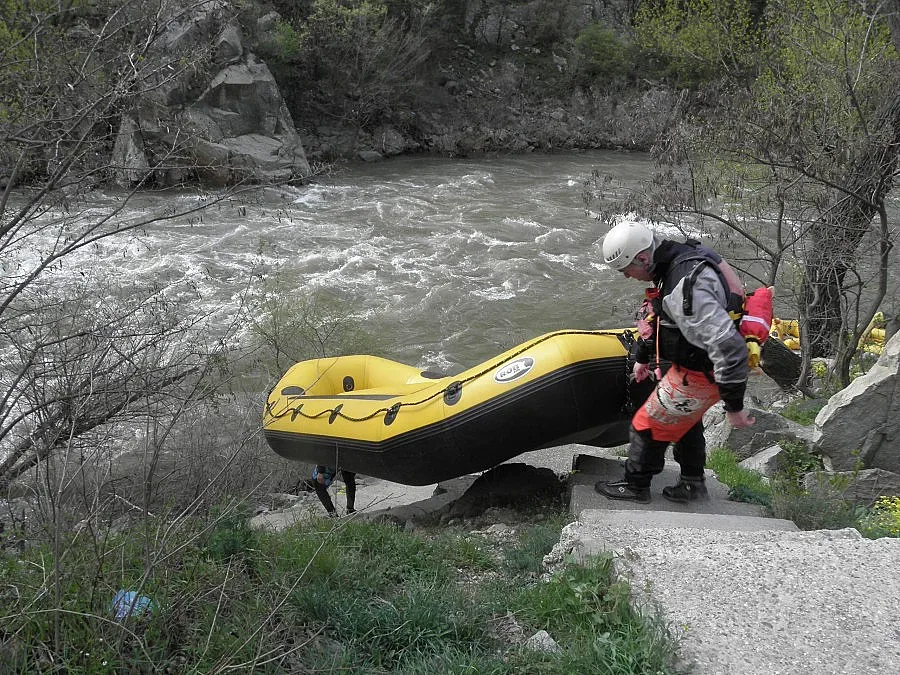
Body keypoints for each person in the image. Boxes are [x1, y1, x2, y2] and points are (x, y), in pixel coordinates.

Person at [596, 221, 755, 504]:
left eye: (626, 270)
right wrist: (643, 357)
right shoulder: (675, 259)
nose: (626, 277)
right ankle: (692, 485)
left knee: (648, 424)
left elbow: (729, 348)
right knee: (685, 421)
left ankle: (636, 486)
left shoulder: (685, 288)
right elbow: (662, 317)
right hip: (695, 365)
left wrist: (734, 407)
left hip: (701, 372)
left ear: (643, 258)